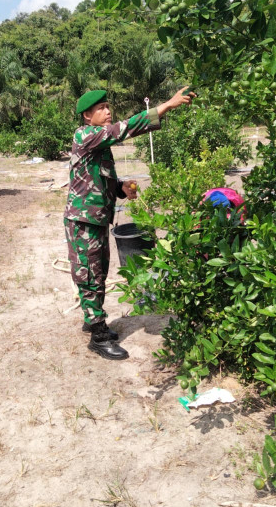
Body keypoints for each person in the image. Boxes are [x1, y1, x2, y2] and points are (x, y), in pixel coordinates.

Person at [64, 87, 196, 360]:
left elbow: (97, 177)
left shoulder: (98, 143)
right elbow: (123, 129)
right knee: (89, 274)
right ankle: (98, 336)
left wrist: (121, 187)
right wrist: (166, 106)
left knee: (99, 270)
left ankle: (92, 319)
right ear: (87, 116)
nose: (107, 111)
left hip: (96, 218)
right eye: (101, 108)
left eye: (108, 106)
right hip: (83, 220)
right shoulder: (85, 135)